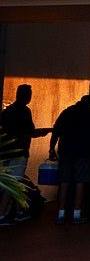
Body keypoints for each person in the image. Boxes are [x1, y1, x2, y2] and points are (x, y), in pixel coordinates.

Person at [0, 84, 50, 225]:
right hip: (19, 151)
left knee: (13, 181)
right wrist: (40, 133)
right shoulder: (24, 111)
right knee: (15, 182)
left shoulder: (7, 111)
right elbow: (29, 131)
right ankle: (3, 213)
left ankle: (18, 210)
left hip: (5, 152)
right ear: (27, 96)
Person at [49, 95, 90, 225]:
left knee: (64, 182)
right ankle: (76, 213)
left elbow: (56, 130)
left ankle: (61, 213)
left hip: (66, 152)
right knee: (80, 182)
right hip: (83, 153)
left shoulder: (67, 112)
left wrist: (51, 148)